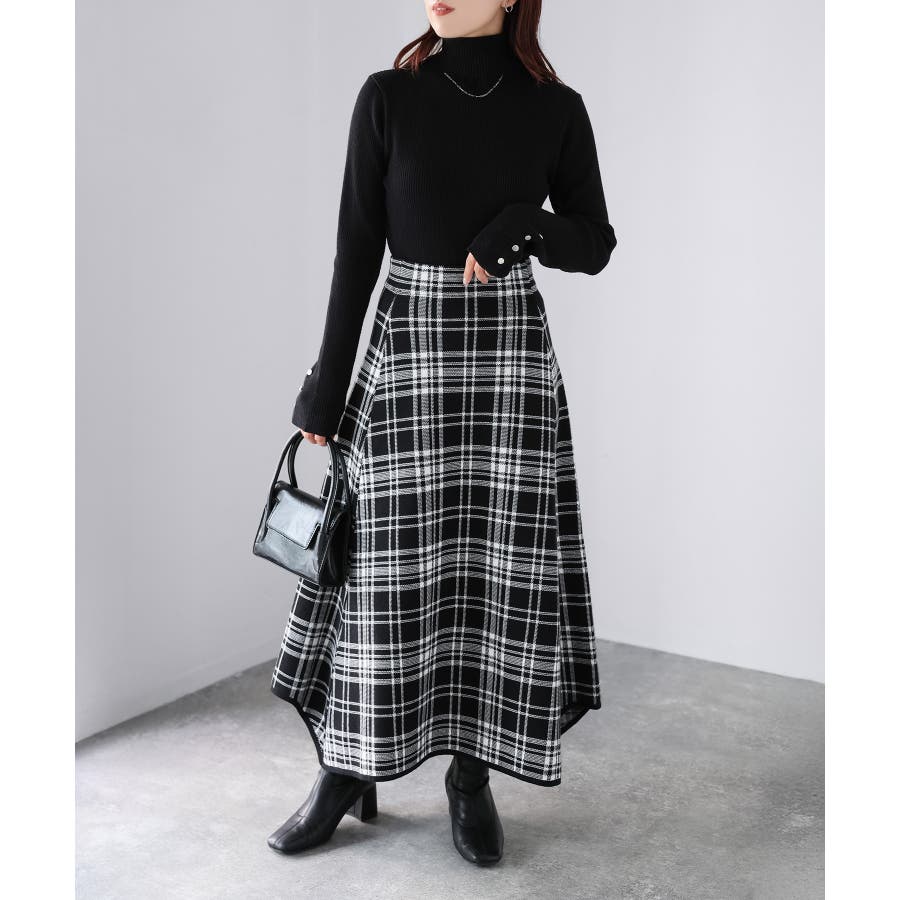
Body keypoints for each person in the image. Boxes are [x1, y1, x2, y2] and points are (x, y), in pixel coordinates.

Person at [267, 0, 616, 866]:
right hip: (408, 356)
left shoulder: (555, 109)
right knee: (384, 574)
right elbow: (356, 248)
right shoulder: (389, 97)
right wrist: (324, 392)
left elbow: (594, 240)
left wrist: (520, 228)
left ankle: (470, 776)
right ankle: (347, 768)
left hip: (508, 368)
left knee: (492, 572)